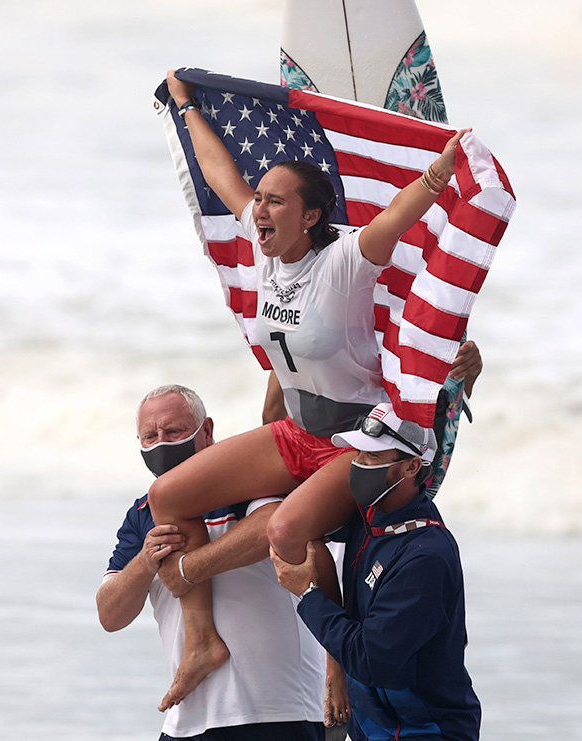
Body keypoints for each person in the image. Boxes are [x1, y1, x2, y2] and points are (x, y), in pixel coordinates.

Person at [146, 69, 473, 711]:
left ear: (311, 215)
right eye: (261, 199)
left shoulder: (344, 262)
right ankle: (201, 639)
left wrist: (440, 174)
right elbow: (221, 177)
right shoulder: (268, 254)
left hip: (356, 442)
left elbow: (399, 218)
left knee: (289, 529)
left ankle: (336, 670)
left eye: (274, 201)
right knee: (168, 493)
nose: (258, 209)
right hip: (296, 433)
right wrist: (186, 107)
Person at [96, 384, 326, 741]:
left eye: (173, 431)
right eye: (149, 436)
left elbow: (274, 524)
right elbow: (110, 615)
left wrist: (188, 568)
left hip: (277, 710)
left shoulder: (247, 482)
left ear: (207, 431)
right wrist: (145, 562)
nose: (162, 443)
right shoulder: (141, 514)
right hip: (187, 718)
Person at [270, 402, 482, 740]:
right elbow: (294, 522)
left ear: (411, 466)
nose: (357, 465)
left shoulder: (426, 558)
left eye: (372, 457)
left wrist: (308, 596)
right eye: (357, 453)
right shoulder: (370, 520)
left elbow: (370, 661)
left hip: (428, 731)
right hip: (374, 729)